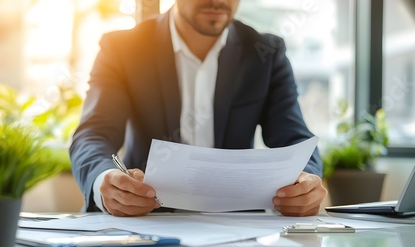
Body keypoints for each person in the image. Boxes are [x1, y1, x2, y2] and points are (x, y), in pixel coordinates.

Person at [70, 0, 327, 217]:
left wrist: (307, 181)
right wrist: (104, 179)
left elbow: (295, 138)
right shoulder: (123, 49)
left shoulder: (265, 54)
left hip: (236, 230)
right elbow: (93, 136)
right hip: (145, 224)